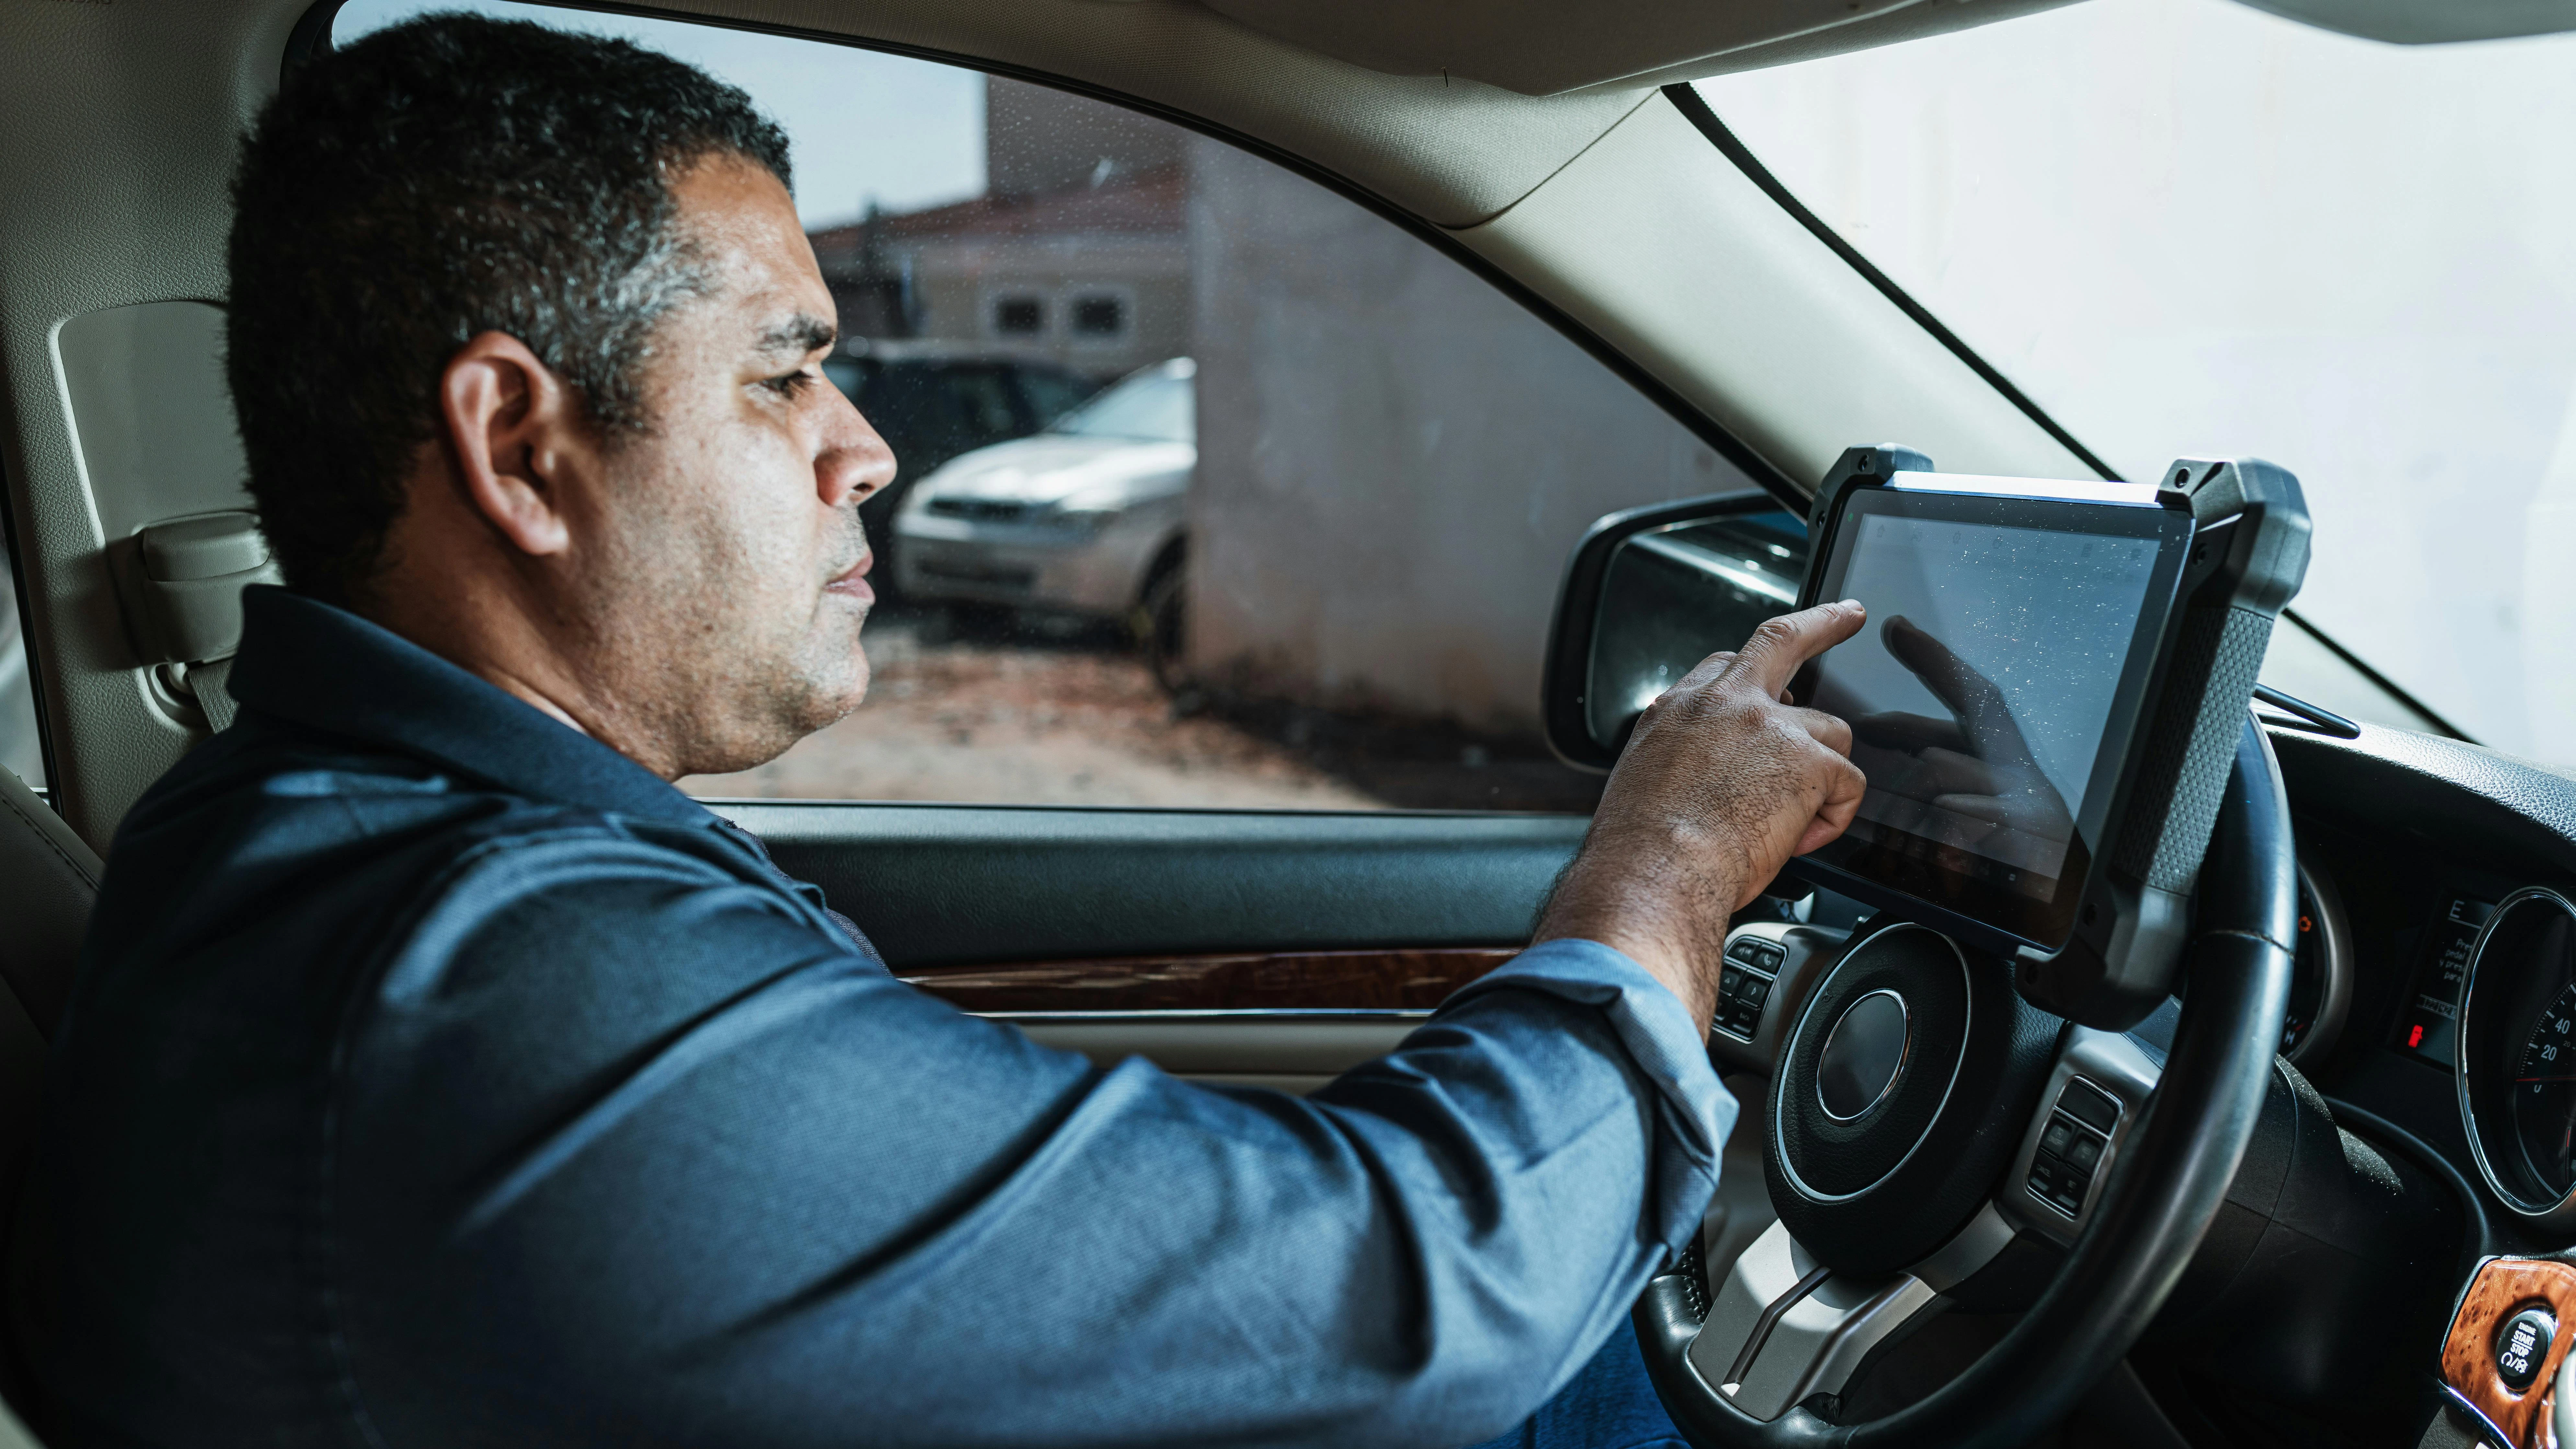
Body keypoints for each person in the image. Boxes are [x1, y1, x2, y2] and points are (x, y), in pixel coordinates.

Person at [5, 16, 1867, 1447]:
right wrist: (1668, 865)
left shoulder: (322, 834)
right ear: (518, 447)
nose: (866, 444)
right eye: (787, 370)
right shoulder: (502, 982)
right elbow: (1432, 1282)